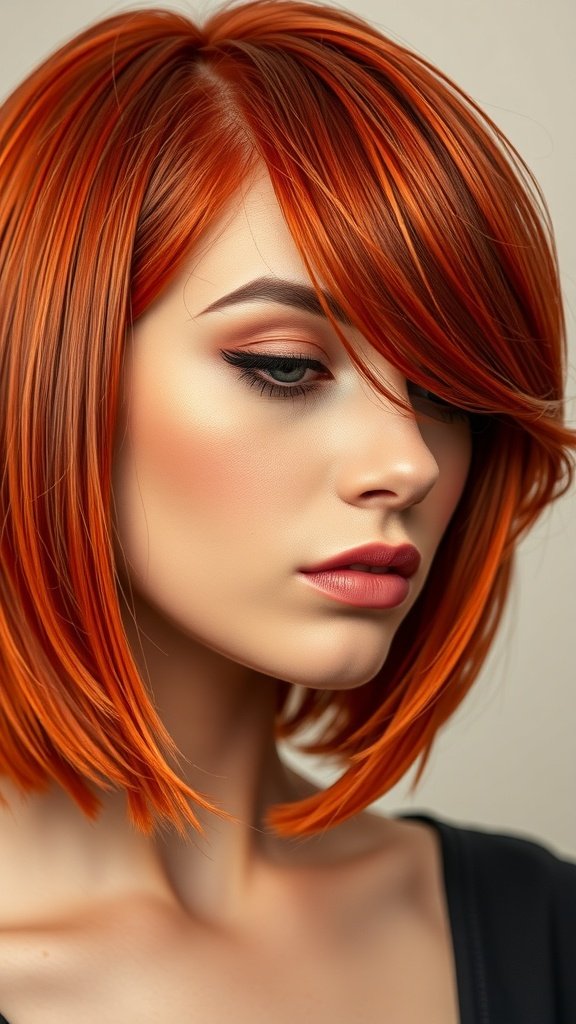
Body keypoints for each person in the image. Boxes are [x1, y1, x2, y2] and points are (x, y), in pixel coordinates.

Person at [0, 1, 574, 1020]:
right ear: (52, 371)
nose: (408, 463)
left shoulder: (543, 930)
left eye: (444, 392)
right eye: (287, 366)